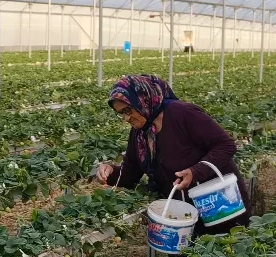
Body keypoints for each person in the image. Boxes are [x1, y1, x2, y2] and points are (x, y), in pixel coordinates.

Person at [94, 74, 248, 235]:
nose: (126, 118)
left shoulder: (182, 113)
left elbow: (226, 145)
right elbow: (130, 175)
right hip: (182, 214)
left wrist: (196, 172)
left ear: (143, 99)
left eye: (127, 110)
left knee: (225, 252)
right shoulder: (140, 134)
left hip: (219, 203)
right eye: (120, 113)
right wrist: (110, 172)